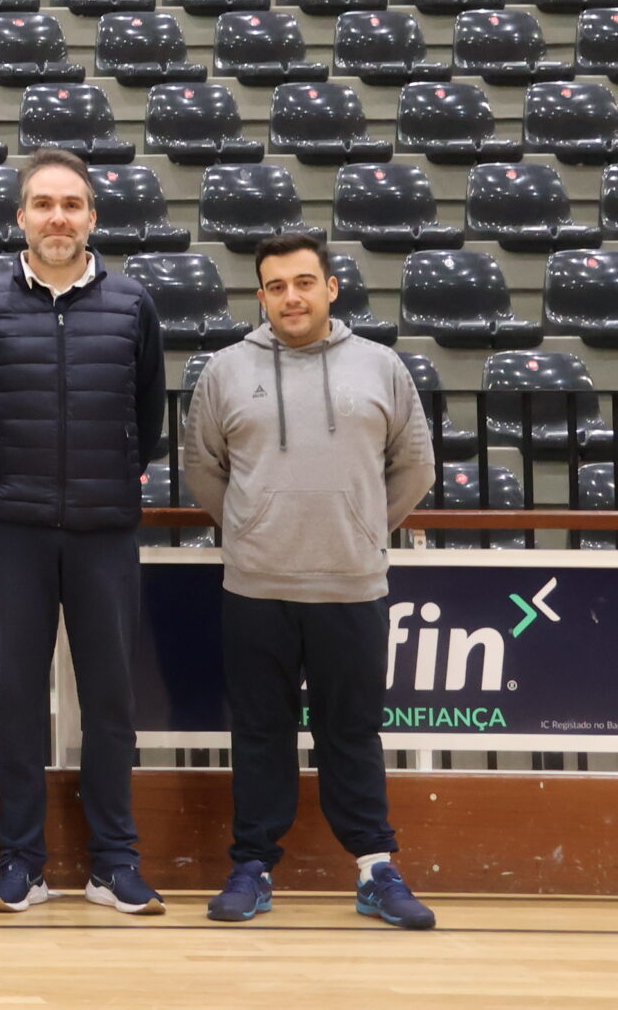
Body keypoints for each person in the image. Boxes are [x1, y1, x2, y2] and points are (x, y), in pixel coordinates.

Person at [181, 230, 439, 930]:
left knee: (352, 732)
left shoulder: (381, 366)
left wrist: (361, 528)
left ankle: (375, 868)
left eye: (303, 282)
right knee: (259, 733)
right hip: (256, 587)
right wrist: (253, 528)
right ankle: (252, 866)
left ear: (331, 287)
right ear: (261, 295)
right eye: (276, 286)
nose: (290, 297)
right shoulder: (226, 371)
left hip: (352, 585)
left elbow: (416, 466)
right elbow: (202, 468)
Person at [0, 148, 169, 915]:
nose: (58, 217)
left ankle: (114, 862)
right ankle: (21, 861)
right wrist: (9, 485)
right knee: (17, 700)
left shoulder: (134, 305)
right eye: (43, 203)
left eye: (72, 204)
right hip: (19, 531)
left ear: (92, 217)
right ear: (21, 217)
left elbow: (149, 416)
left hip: (106, 532)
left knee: (110, 699)